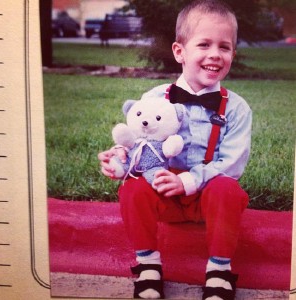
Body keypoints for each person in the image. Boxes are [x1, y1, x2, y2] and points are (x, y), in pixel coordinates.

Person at [98, 0, 252, 299]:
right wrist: (119, 152)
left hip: (207, 195)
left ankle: (219, 270)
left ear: (233, 52)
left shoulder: (237, 108)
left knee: (228, 190)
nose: (215, 55)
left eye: (225, 46)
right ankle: (148, 266)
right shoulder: (155, 97)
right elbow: (139, 137)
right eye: (204, 44)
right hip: (163, 191)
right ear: (179, 51)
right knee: (132, 189)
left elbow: (232, 163)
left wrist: (188, 181)